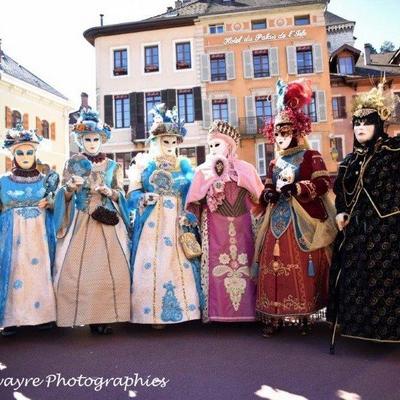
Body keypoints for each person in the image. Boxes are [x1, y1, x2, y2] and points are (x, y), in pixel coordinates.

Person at [255, 79, 337, 336]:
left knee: (301, 264)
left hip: (302, 221)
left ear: (298, 130)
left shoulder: (311, 156)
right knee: (272, 263)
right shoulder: (273, 163)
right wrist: (268, 194)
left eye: (286, 132)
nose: (281, 137)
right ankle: (273, 316)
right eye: (277, 133)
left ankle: (303, 314)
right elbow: (267, 186)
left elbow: (323, 183)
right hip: (276, 220)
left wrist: (299, 189)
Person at [327, 81, 400, 352]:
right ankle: (360, 330)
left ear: (378, 125)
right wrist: (341, 212)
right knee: (357, 279)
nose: (359, 128)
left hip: (388, 230)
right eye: (356, 123)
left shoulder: (392, 153)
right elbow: (342, 195)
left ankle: (389, 333)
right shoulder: (348, 161)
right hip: (357, 230)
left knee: (388, 280)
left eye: (366, 123)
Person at [53, 111, 131, 335]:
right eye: (87, 139)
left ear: (102, 140)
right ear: (80, 140)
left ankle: (105, 317)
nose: (92, 143)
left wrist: (111, 192)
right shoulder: (72, 164)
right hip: (80, 220)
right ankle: (80, 315)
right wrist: (70, 188)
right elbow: (62, 194)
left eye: (96, 139)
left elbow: (120, 193)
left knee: (111, 270)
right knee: (76, 271)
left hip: (107, 221)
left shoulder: (112, 166)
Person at [127, 104, 202, 327]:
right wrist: (143, 198)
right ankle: (153, 315)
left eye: (173, 142)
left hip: (177, 220)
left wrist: (189, 213)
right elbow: (133, 195)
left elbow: (193, 192)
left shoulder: (186, 165)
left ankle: (188, 312)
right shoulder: (144, 164)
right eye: (165, 141)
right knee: (153, 263)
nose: (169, 146)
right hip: (153, 222)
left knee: (180, 263)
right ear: (156, 142)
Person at [186, 120, 263, 322]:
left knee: (246, 267)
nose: (213, 150)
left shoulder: (246, 169)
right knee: (216, 269)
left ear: (230, 145)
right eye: (210, 146)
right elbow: (193, 201)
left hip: (244, 226)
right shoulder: (202, 170)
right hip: (215, 228)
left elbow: (260, 198)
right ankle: (216, 312)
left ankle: (249, 312)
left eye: (217, 144)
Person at [0, 124, 58, 336]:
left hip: (39, 237)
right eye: (20, 152)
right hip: (11, 237)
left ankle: (43, 316)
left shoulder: (46, 181)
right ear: (13, 155)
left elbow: (59, 204)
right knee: (14, 271)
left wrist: (51, 202)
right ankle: (12, 318)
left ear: (35, 154)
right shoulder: (3, 181)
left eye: (29, 152)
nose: (25, 156)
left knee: (39, 272)